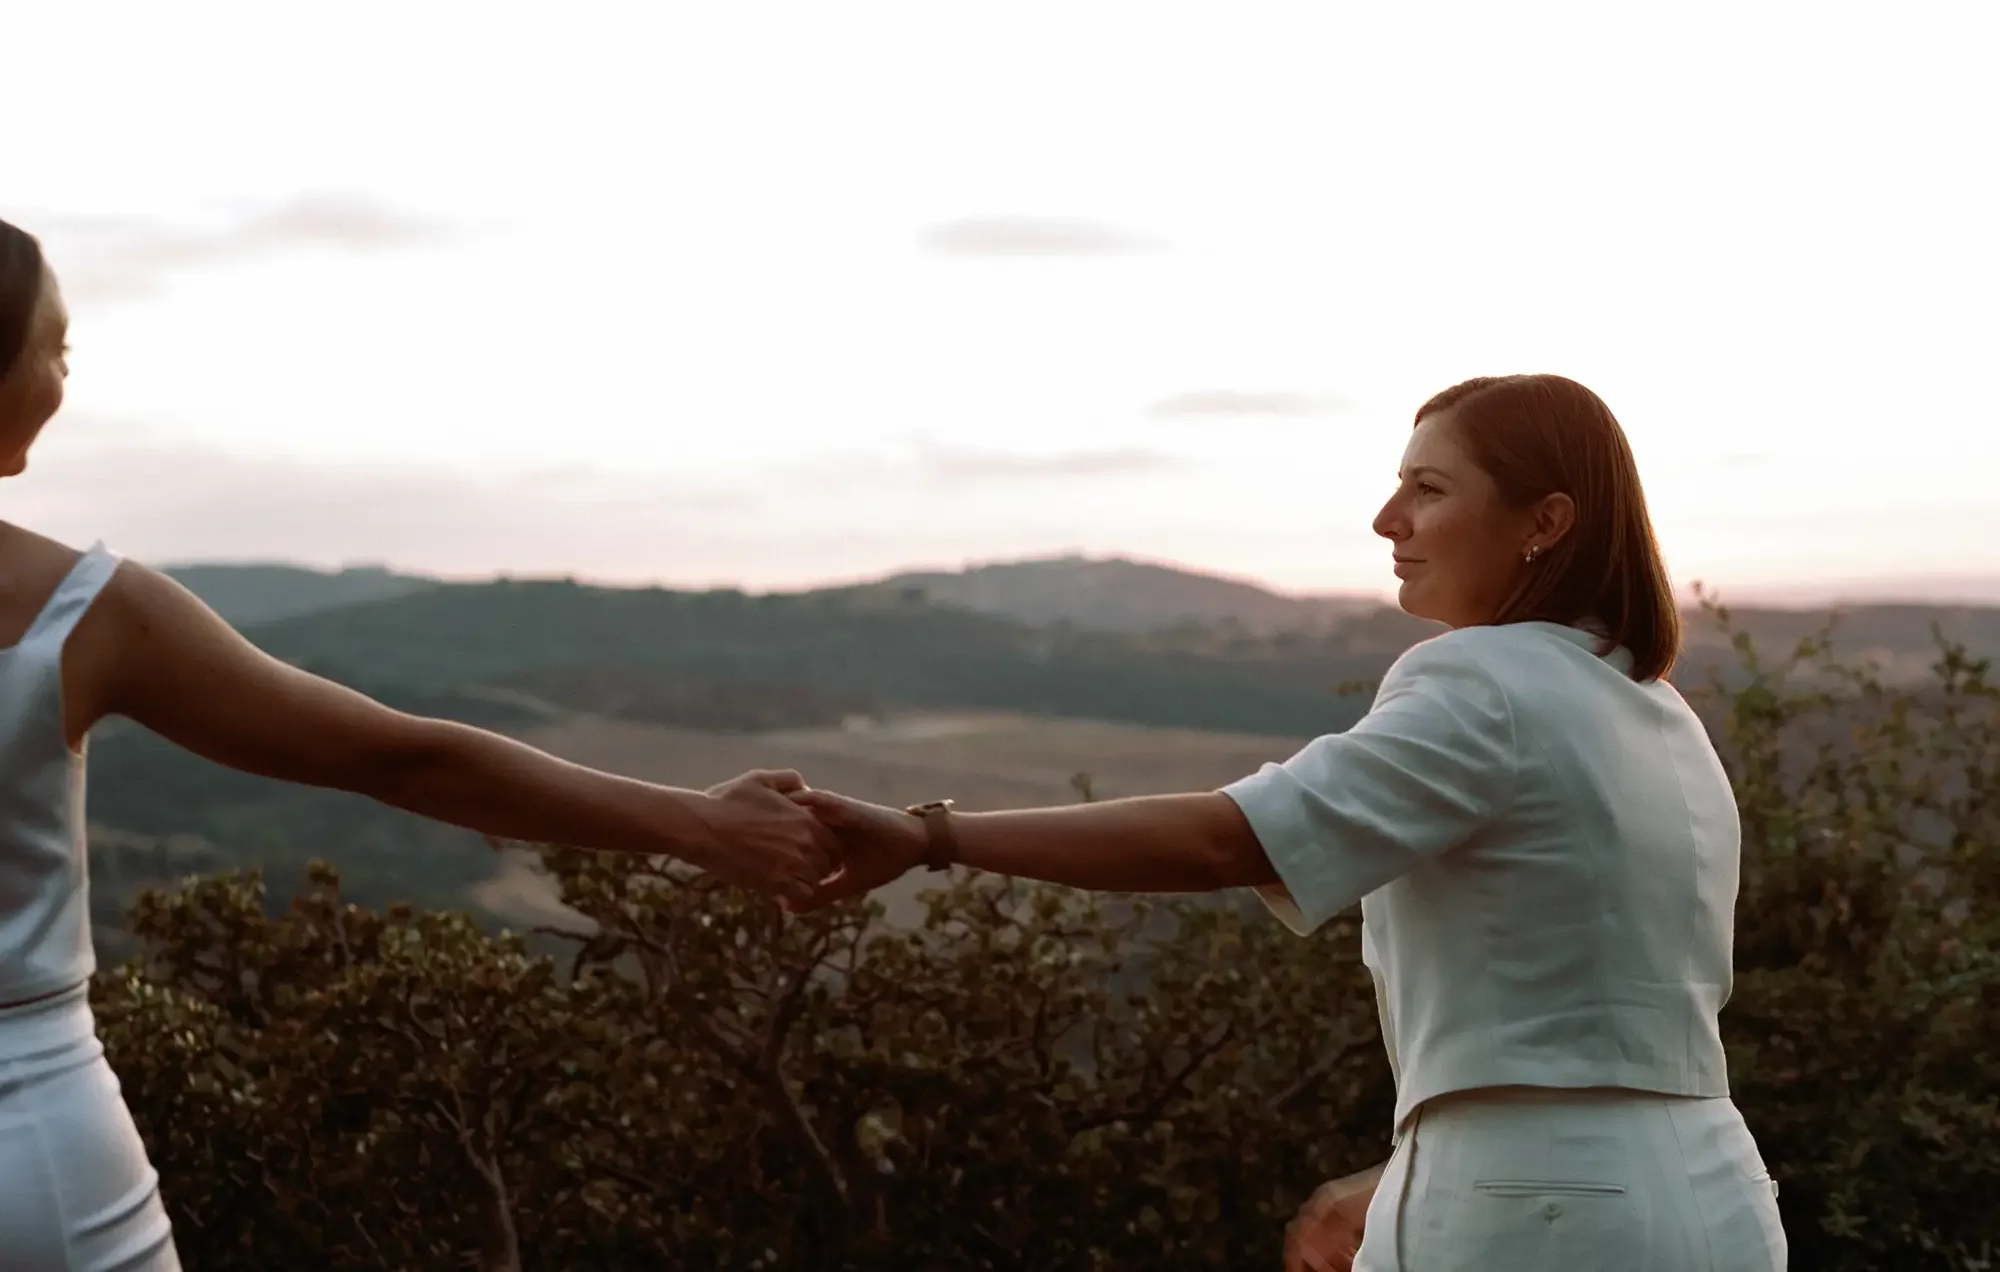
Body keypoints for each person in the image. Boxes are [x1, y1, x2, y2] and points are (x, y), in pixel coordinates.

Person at [790, 374, 1788, 1270]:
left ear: (1544, 521)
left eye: (1427, 490)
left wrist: (933, 837)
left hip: (1539, 1213)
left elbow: (1230, 837)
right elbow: (1592, 1043)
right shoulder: (1659, 716)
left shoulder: (1480, 679)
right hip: (1712, 1191)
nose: (1384, 517)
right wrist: (1410, 1169)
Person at [0, 217, 838, 1270]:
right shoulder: (76, 613)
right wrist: (702, 824)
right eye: (56, 346)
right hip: (31, 1145)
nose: (67, 373)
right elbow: (401, 758)